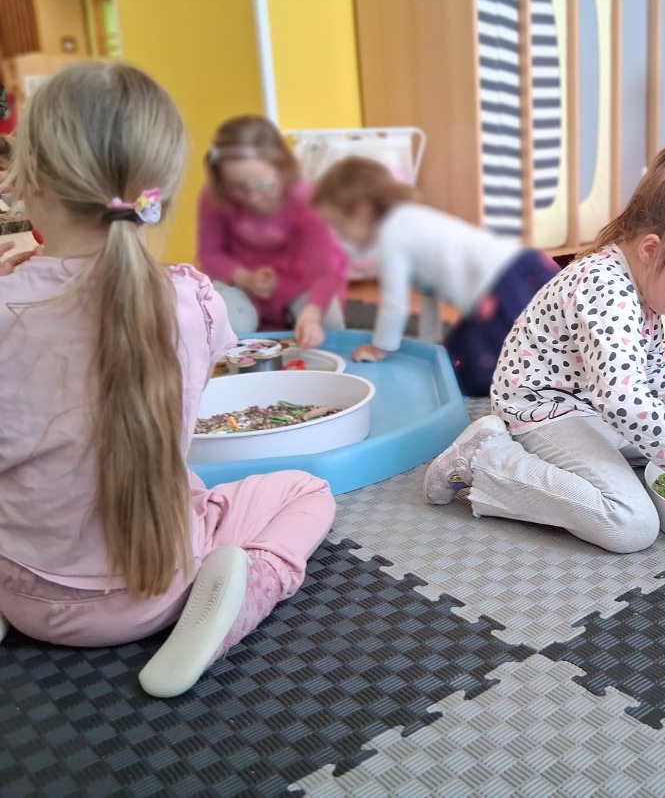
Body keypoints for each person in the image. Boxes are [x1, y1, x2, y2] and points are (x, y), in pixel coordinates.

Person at [0, 62, 336, 698]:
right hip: (157, 591)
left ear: (25, 180)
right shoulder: (194, 302)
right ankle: (241, 592)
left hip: (20, 589)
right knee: (306, 490)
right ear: (158, 196)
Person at [422, 144, 665, 553]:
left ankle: (608, 457)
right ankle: (484, 459)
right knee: (631, 524)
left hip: (594, 404)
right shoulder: (606, 289)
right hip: (544, 409)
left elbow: (651, 371)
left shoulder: (643, 280)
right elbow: (623, 398)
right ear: (651, 249)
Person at [310, 156, 560, 397]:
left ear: (361, 211)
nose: (340, 237)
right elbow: (430, 290)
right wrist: (430, 342)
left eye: (339, 225)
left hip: (502, 287)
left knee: (469, 370)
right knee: (542, 338)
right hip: (524, 266)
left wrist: (379, 348)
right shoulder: (408, 217)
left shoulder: (389, 236)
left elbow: (394, 306)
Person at [197, 115, 347, 348]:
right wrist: (245, 277)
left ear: (282, 169)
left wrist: (312, 314)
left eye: (262, 184)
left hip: (299, 283)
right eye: (238, 187)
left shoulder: (306, 198)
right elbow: (209, 253)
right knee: (224, 327)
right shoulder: (215, 197)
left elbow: (324, 270)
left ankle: (294, 318)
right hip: (240, 283)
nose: (251, 195)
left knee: (329, 327)